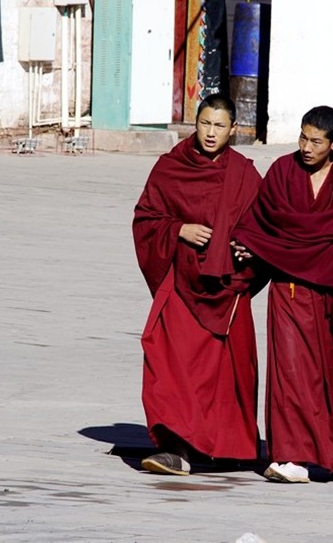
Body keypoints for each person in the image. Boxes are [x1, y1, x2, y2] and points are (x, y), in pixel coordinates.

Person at [232, 106, 333, 483]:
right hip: (289, 289)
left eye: (316, 142)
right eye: (303, 137)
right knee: (289, 373)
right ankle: (292, 456)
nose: (306, 147)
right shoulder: (282, 173)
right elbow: (260, 221)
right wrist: (251, 245)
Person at [132, 93, 264, 475]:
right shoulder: (171, 167)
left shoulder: (244, 175)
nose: (210, 133)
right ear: (195, 123)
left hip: (225, 286)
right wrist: (179, 229)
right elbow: (145, 218)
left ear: (233, 129)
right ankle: (174, 447)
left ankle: (221, 444)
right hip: (180, 282)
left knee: (223, 373)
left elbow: (262, 226)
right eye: (205, 123)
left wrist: (247, 249)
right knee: (165, 361)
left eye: (219, 126)